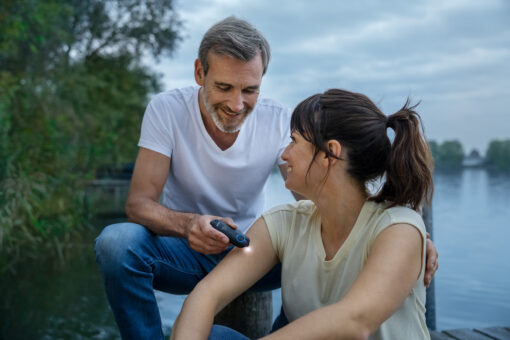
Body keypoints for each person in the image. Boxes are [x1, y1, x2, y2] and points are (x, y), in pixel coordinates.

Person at [94, 16, 438, 340]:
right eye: (224, 86)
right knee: (119, 245)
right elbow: (139, 205)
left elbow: (322, 191)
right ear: (200, 72)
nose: (237, 103)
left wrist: (406, 234)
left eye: (250, 90)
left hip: (251, 247)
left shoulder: (279, 124)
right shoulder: (167, 111)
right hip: (192, 248)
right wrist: (189, 225)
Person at [171, 89, 435, 340]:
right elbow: (207, 293)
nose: (284, 154)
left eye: (294, 141)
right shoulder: (283, 223)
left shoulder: (398, 228)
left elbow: (355, 321)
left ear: (329, 153)